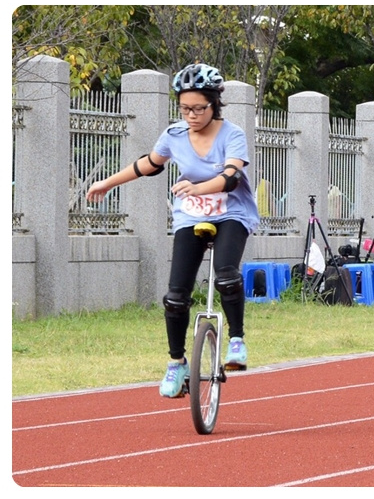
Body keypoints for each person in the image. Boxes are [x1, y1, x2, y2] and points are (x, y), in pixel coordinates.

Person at [84, 63, 257, 396]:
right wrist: (107, 183)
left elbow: (232, 176)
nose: (191, 115)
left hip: (232, 213)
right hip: (191, 217)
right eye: (184, 108)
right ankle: (176, 365)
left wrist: (200, 187)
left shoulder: (232, 134)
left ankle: (236, 341)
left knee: (225, 275)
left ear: (214, 104)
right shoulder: (174, 134)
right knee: (175, 297)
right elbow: (148, 164)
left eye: (198, 108)